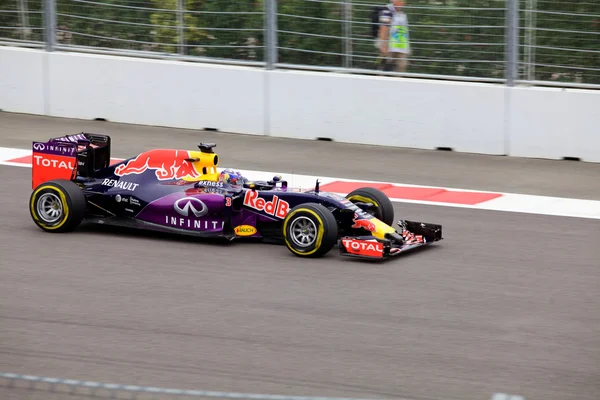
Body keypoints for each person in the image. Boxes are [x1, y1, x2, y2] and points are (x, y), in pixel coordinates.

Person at [376, 0, 411, 73]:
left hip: (400, 47)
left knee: (400, 68)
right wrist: (384, 44)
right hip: (389, 46)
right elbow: (383, 27)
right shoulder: (387, 10)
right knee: (386, 69)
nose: (402, 2)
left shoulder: (401, 13)